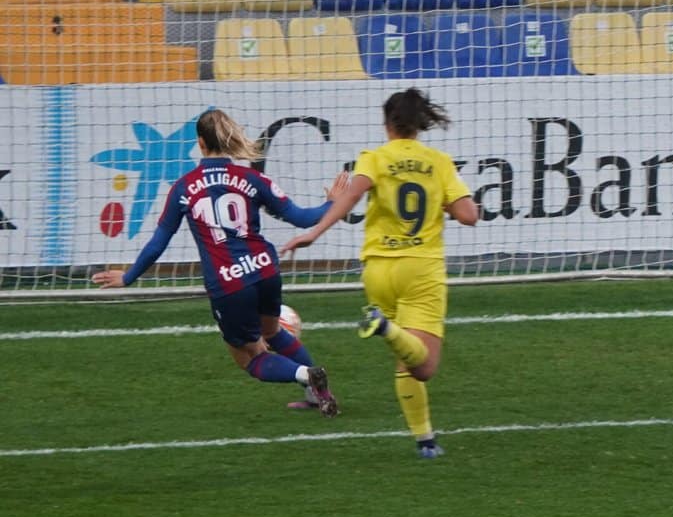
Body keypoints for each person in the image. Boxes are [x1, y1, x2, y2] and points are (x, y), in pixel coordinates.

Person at [91, 108, 346, 415]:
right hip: (265, 269)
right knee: (273, 333)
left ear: (200, 143)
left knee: (250, 357)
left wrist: (128, 277)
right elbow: (303, 218)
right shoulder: (253, 178)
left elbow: (158, 243)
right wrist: (333, 202)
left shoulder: (184, 187)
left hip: (229, 281)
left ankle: (306, 375)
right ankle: (319, 395)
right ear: (229, 140)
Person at [282, 88, 479, 459]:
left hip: (378, 271)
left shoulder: (373, 158)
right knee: (424, 365)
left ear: (386, 123)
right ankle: (385, 329)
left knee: (406, 356)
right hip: (420, 269)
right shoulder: (438, 162)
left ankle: (425, 441)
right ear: (420, 125)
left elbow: (351, 197)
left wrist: (313, 233)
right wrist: (445, 202)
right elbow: (469, 215)